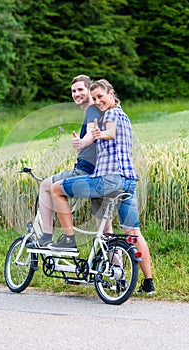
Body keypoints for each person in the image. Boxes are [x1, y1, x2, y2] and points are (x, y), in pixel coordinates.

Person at [50, 79, 155, 294]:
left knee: (55, 189)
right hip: (128, 182)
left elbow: (110, 131)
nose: (98, 101)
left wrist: (101, 134)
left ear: (111, 93)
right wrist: (85, 142)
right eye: (95, 98)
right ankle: (148, 283)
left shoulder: (111, 115)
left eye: (101, 96)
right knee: (133, 232)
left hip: (108, 180)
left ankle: (68, 239)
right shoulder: (125, 116)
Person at [27, 75, 112, 248]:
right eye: (73, 91)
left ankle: (51, 236)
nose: (76, 94)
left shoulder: (92, 110)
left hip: (86, 171)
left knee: (45, 186)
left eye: (81, 89)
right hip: (103, 174)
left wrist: (83, 142)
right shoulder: (102, 111)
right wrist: (82, 147)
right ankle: (117, 268)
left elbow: (90, 132)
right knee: (105, 231)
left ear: (90, 90)